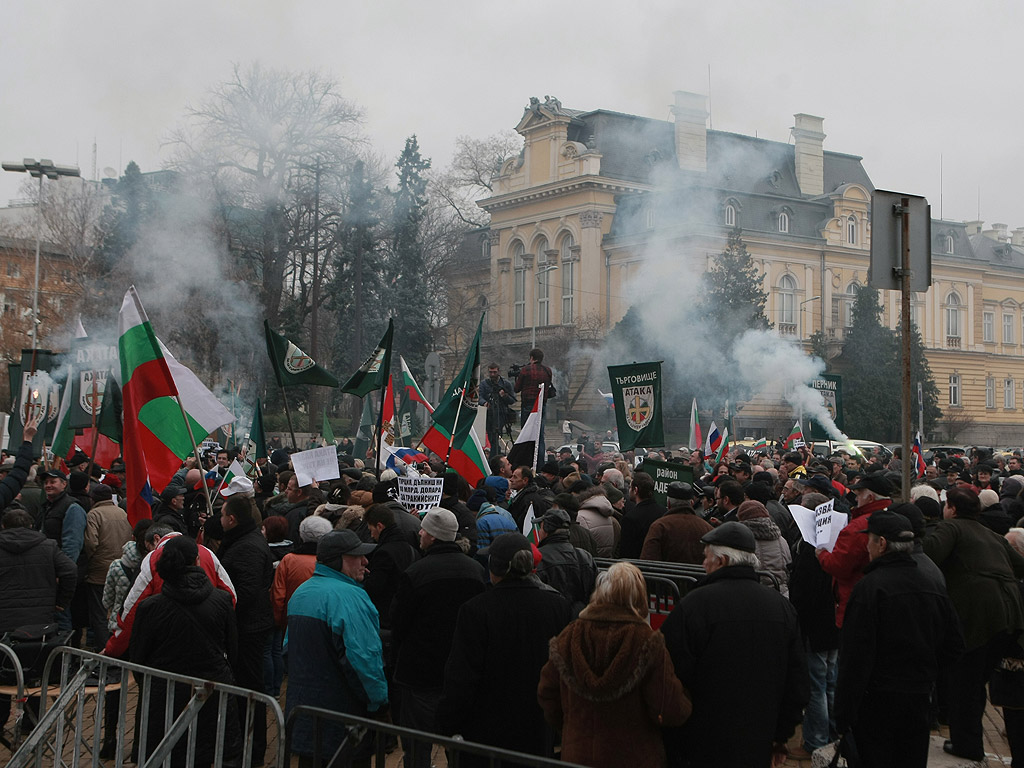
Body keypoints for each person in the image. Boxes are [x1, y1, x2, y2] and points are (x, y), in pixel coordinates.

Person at [660, 522, 808, 768]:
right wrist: (781, 734)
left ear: (722, 561)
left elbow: (670, 672)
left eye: (706, 558)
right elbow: (797, 682)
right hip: (758, 739)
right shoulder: (781, 608)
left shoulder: (695, 605)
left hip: (700, 741)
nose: (703, 564)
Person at [834, 510, 964, 768]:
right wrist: (925, 673)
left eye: (869, 540)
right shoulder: (932, 582)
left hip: (876, 702)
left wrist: (843, 714)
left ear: (881, 544)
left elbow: (854, 657)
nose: (867, 547)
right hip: (918, 698)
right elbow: (954, 645)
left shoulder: (870, 587)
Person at [538, 562, 692, 768]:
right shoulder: (647, 641)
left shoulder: (570, 635)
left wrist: (571, 728)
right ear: (639, 598)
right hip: (635, 757)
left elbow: (548, 693)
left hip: (578, 755)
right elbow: (669, 707)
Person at [438, 533, 572, 766]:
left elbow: (462, 676)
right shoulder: (557, 606)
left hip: (487, 731)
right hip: (537, 727)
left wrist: (447, 723)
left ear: (494, 568)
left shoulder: (475, 610)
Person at [924, 487, 1024, 764]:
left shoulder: (952, 527)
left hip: (977, 613)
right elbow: (1021, 567)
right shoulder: (992, 535)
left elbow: (930, 553)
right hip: (1009, 613)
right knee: (975, 680)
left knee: (963, 682)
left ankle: (966, 744)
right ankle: (968, 740)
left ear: (952, 509)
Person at [130, 535, 241, 768]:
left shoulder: (150, 608)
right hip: (212, 689)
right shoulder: (222, 600)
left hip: (165, 694)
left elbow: (138, 658)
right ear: (197, 562)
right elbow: (233, 649)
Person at [390, 509, 487, 768]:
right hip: (461, 670)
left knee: (417, 743)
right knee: (458, 740)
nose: (419, 533)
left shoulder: (416, 573)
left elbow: (398, 623)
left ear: (432, 536)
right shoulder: (476, 570)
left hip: (420, 674)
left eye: (423, 529)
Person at [285, 530, 388, 766]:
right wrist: (379, 703)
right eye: (357, 555)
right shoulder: (351, 597)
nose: (365, 561)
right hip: (344, 721)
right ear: (338, 559)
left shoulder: (302, 592)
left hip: (304, 714)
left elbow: (287, 651)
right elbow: (363, 660)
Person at [217, 494, 274, 765]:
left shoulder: (246, 547)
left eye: (222, 515)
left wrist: (222, 612)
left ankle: (252, 751)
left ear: (232, 519)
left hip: (247, 629)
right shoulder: (243, 540)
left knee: (250, 689)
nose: (219, 519)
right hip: (246, 626)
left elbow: (246, 592)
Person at [817, 472, 892, 629]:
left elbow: (839, 565)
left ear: (870, 498)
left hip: (855, 601)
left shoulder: (859, 527)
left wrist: (821, 554)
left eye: (859, 495)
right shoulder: (893, 517)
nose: (856, 499)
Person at [82, 483, 132, 650]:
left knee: (99, 613)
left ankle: (104, 649)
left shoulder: (94, 514)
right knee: (119, 610)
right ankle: (118, 647)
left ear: (93, 499)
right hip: (122, 568)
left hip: (99, 570)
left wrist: (90, 560)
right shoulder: (122, 513)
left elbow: (91, 542)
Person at [534, 508, 597, 615]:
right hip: (580, 620)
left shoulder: (539, 559)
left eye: (540, 527)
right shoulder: (585, 557)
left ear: (546, 531)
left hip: (551, 620)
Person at [640, 482, 712, 564]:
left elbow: (648, 561)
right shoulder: (707, 528)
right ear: (691, 503)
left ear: (668, 503)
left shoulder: (659, 527)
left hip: (665, 576)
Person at [514, 348, 555, 468]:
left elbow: (517, 388)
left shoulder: (526, 370)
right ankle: (540, 465)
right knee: (539, 435)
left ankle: (525, 464)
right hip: (542, 405)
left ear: (531, 357)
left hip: (528, 405)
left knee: (526, 434)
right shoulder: (547, 370)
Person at [620, 472, 665, 559]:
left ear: (635, 490)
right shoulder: (664, 512)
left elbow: (626, 552)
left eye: (630, 487)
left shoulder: (630, 518)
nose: (629, 490)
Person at [478, 363, 516, 459]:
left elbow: (512, 400)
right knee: (491, 436)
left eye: (494, 372)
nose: (492, 374)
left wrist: (504, 395)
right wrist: (485, 403)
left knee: (496, 435)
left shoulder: (505, 384)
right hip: (488, 414)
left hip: (501, 413)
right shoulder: (484, 384)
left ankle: (496, 456)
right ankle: (495, 455)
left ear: (498, 371)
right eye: (490, 372)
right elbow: (479, 397)